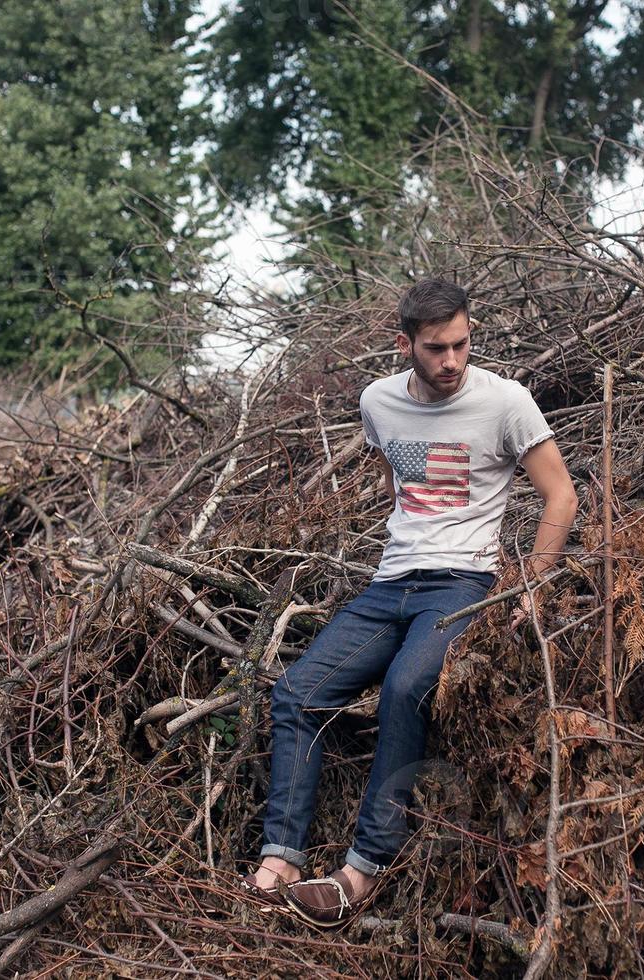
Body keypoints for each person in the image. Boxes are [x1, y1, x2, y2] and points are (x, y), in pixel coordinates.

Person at [241, 278, 578, 927]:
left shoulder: (505, 402)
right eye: (435, 348)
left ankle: (360, 871)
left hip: (463, 587)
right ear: (405, 345)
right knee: (297, 694)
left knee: (404, 689)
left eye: (461, 344)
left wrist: (530, 587)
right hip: (390, 584)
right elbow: (393, 475)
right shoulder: (378, 401)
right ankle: (279, 858)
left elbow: (559, 495)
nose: (451, 360)